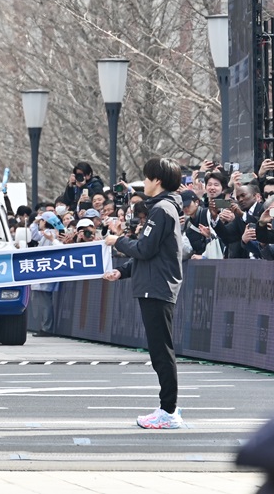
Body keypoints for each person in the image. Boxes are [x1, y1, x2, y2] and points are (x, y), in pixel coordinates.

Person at [103, 157, 184, 430]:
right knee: (160, 349)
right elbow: (151, 253)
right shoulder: (163, 208)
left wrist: (118, 241)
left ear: (157, 181)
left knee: (161, 351)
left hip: (157, 288)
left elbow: (145, 248)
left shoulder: (162, 209)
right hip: (155, 284)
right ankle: (168, 408)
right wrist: (122, 272)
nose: (145, 183)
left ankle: (168, 410)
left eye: (147, 178)